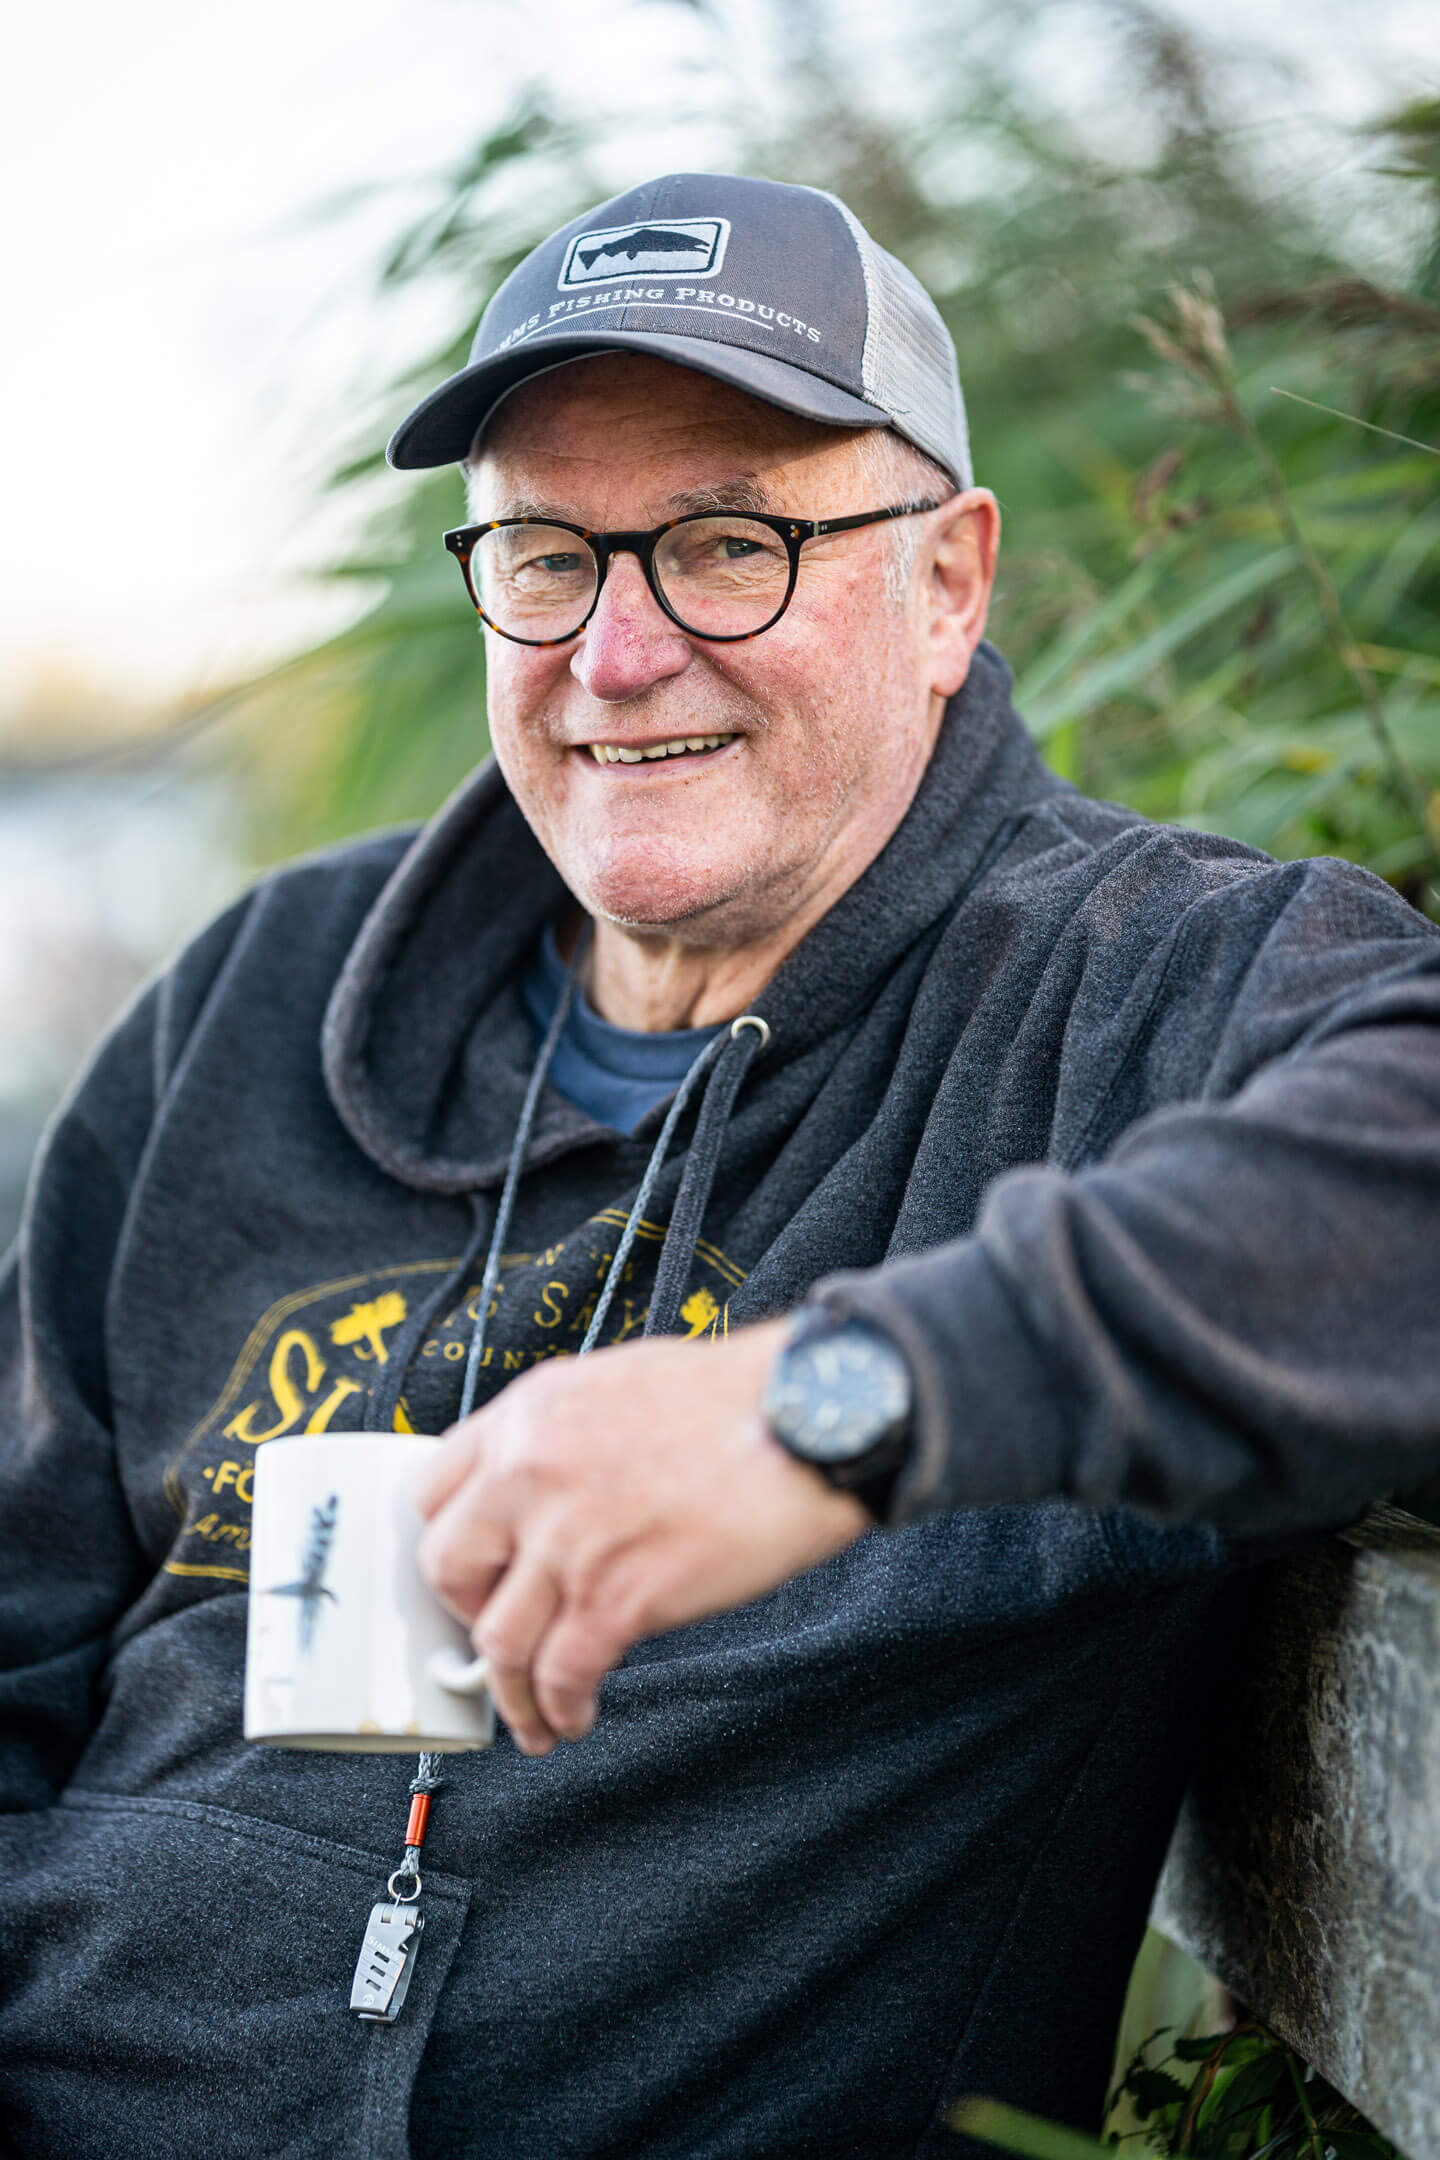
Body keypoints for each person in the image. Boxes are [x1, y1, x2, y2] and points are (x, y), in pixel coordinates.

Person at [1, 170, 1437, 2160]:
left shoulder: (1146, 989)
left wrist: (822, 1410)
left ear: (949, 584)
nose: (617, 651)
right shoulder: (260, 999)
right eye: (547, 554)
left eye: (727, 543)